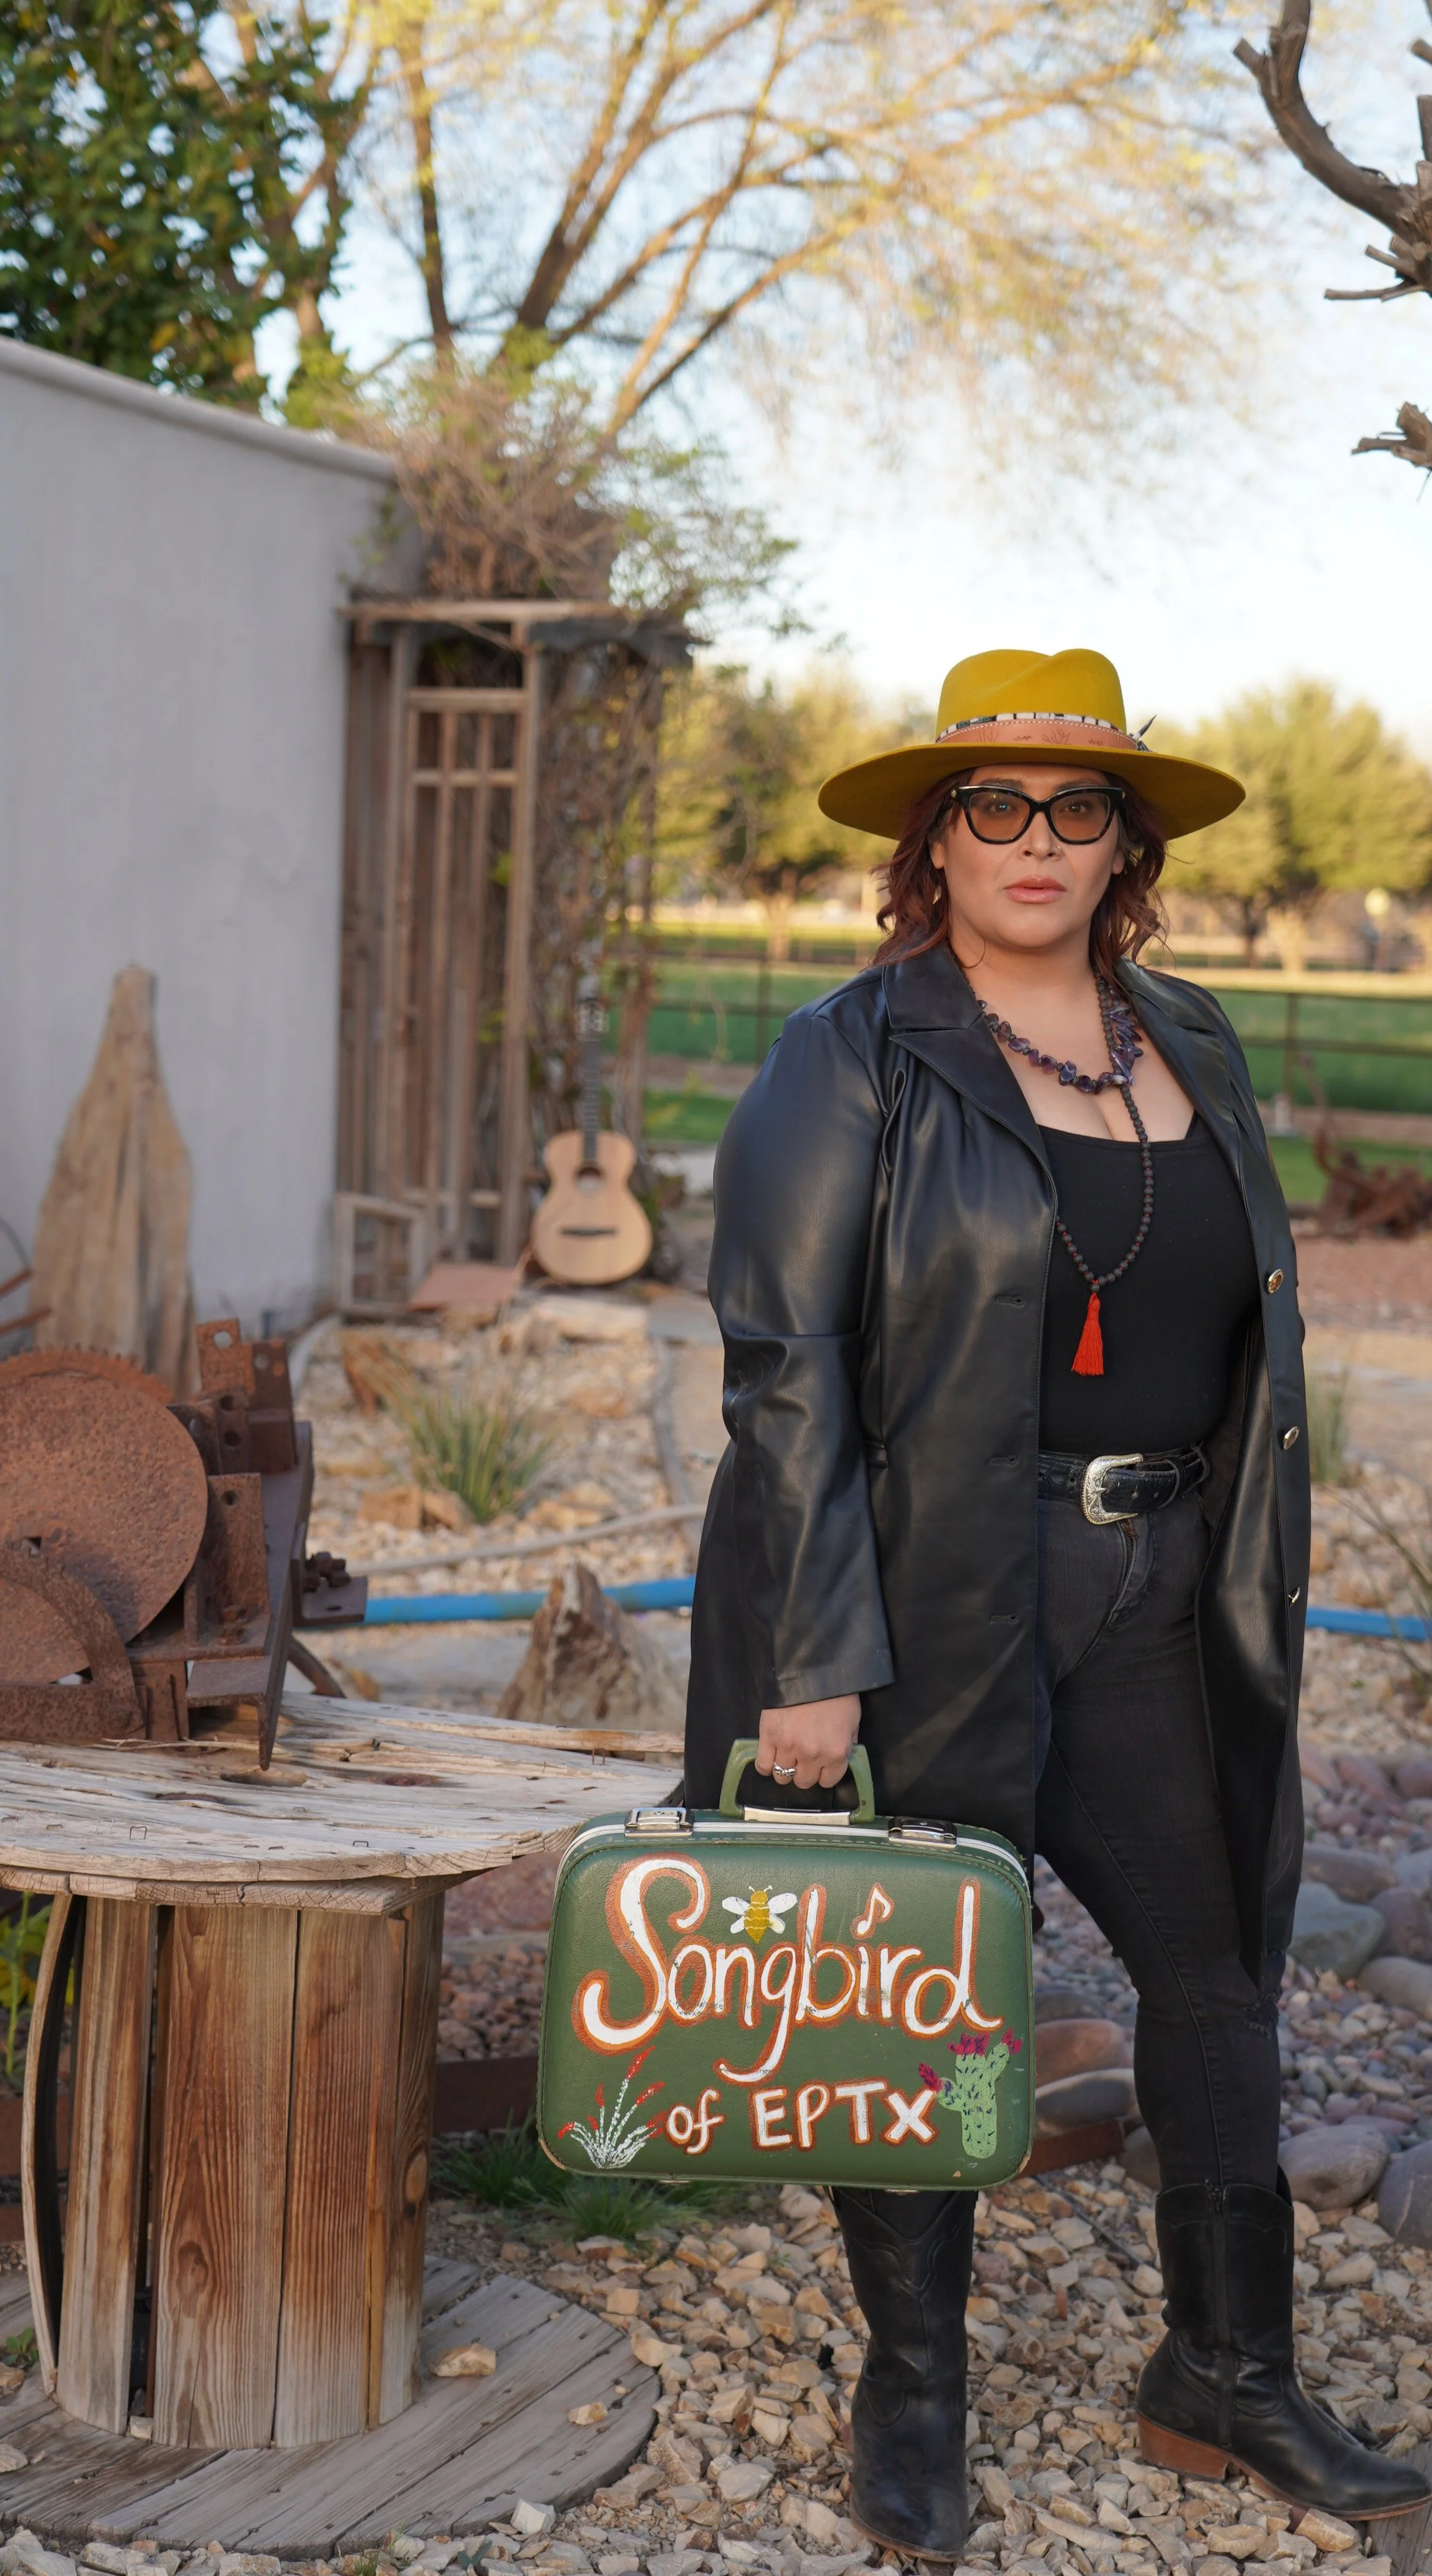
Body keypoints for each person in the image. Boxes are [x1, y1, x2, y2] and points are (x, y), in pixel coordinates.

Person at [683, 647, 1430, 2558]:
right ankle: (914, 2387)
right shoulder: (847, 1055)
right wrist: (812, 1663)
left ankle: (1229, 2375)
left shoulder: (1197, 1041)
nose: (1034, 839)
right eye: (991, 805)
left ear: (1128, 848)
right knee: (922, 1981)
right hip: (943, 1581)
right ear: (933, 843)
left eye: (1076, 807)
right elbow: (787, 1373)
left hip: (1167, 1577)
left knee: (1216, 1969)